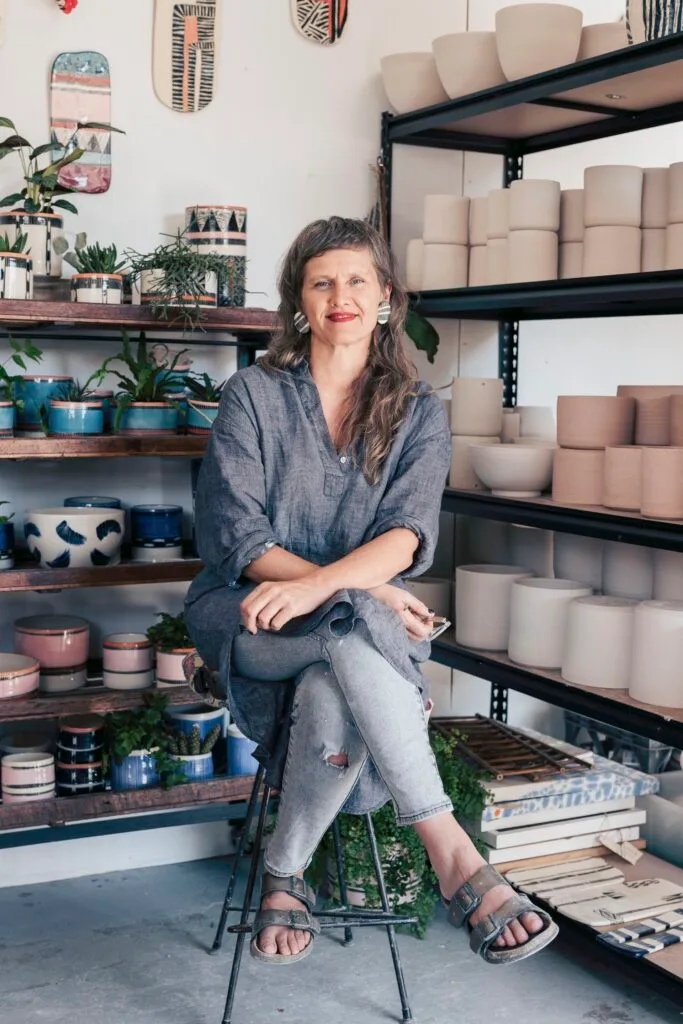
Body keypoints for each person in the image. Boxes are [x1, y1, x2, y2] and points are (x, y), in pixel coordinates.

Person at [185, 216, 558, 967]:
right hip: (247, 615)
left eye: (357, 280)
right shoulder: (251, 396)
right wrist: (378, 595)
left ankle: (284, 878)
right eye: (321, 281)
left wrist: (339, 587)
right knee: (357, 620)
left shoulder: (419, 413)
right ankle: (454, 856)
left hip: (332, 630)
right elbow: (238, 540)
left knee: (333, 682)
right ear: (300, 299)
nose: (340, 296)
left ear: (386, 296)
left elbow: (407, 536)